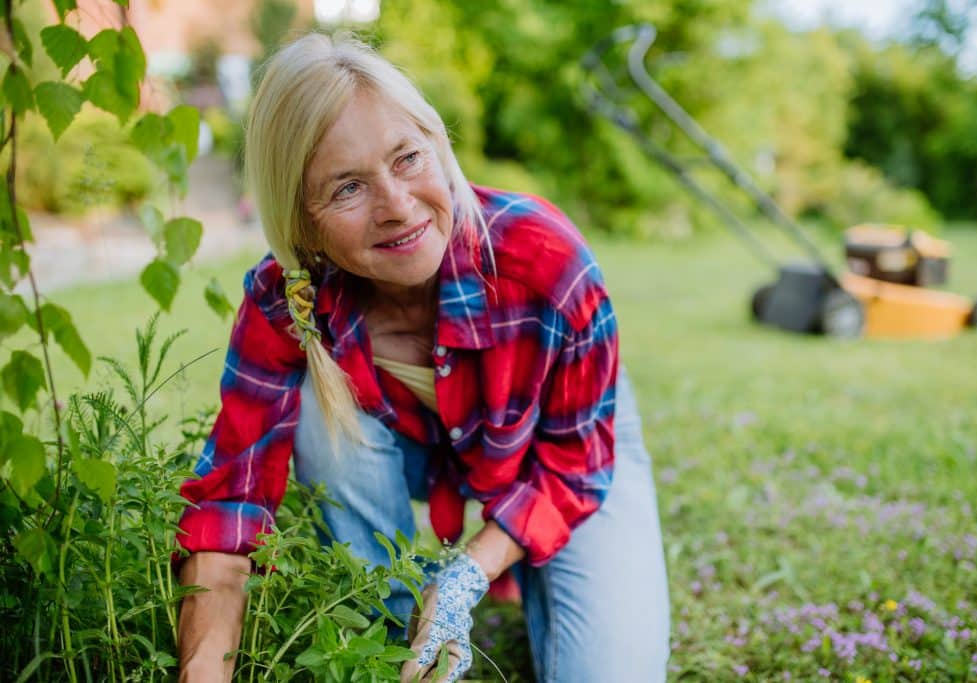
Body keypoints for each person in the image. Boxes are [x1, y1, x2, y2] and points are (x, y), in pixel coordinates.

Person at [175, 33, 670, 683]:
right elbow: (229, 508)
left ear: (436, 143)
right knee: (324, 414)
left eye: (407, 158)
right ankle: (388, 635)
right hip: (409, 449)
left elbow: (575, 465)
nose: (398, 207)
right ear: (301, 219)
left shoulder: (545, 263)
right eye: (348, 187)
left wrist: (467, 573)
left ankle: (496, 578)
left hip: (565, 449)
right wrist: (203, 668)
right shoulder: (284, 302)